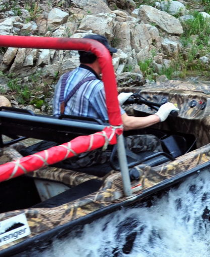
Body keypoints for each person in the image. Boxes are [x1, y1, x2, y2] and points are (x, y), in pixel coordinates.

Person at [53, 34, 178, 168]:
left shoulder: (65, 78)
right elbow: (126, 124)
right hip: (86, 155)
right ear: (101, 57)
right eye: (109, 55)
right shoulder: (98, 87)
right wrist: (159, 116)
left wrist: (115, 103)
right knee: (152, 141)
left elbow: (79, 109)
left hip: (65, 148)